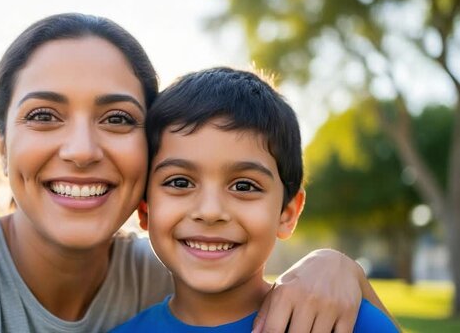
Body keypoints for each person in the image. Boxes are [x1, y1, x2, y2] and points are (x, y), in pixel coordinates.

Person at [0, 12, 386, 332]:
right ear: (0, 144)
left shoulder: (167, 267)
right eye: (44, 115)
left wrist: (338, 269)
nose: (83, 149)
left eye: (117, 118)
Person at [112, 67, 398, 332]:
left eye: (244, 186)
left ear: (287, 213)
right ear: (145, 209)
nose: (210, 211)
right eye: (180, 182)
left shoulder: (342, 322)